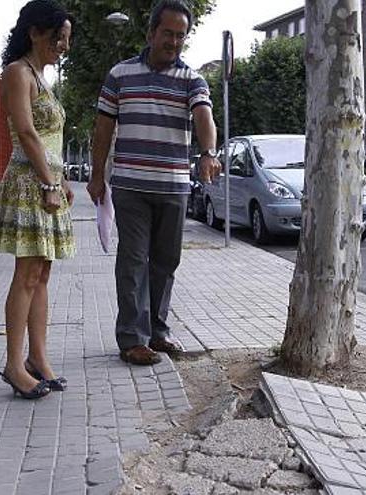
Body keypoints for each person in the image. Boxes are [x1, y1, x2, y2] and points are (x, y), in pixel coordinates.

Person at [87, 0, 221, 366]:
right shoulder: (120, 74)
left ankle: (158, 332)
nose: (174, 42)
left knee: (166, 262)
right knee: (132, 261)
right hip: (130, 185)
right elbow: (103, 129)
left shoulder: (192, 79)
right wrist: (97, 175)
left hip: (174, 187)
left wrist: (209, 151)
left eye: (181, 36)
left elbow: (203, 115)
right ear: (151, 33)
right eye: (168, 33)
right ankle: (132, 338)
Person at [0, 0, 75, 398]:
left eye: (67, 39)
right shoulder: (17, 73)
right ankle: (13, 364)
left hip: (47, 183)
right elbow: (26, 132)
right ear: (35, 33)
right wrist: (49, 183)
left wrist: (62, 179)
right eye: (59, 37)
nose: (64, 46)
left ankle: (38, 359)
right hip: (30, 184)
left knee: (41, 274)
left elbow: (51, 140)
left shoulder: (42, 78)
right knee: (26, 275)